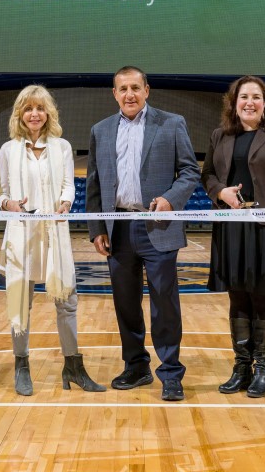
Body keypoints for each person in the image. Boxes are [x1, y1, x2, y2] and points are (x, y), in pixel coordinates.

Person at [86, 66, 200, 402]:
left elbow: (190, 171)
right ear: (115, 93)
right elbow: (94, 183)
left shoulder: (172, 123)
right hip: (117, 226)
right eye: (123, 89)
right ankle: (136, 366)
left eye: (136, 87)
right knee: (125, 303)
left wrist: (170, 198)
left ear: (147, 90)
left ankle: (171, 373)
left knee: (165, 303)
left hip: (158, 226)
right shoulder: (101, 130)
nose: (130, 94)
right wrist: (96, 229)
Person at [0, 85, 105, 395]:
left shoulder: (62, 147)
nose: (34, 113)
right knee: (22, 302)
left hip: (54, 232)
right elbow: (1, 193)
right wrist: (9, 205)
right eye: (28, 108)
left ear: (48, 113)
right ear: (21, 113)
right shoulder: (8, 149)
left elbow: (69, 186)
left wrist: (66, 203)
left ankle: (73, 366)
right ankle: (21, 365)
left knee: (67, 302)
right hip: (22, 233)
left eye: (40, 108)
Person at [200, 76, 265, 398]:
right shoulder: (220, 135)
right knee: (238, 296)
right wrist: (221, 193)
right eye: (244, 96)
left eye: (256, 97)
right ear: (234, 102)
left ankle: (262, 368)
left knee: (263, 296)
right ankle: (241, 366)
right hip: (231, 227)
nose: (250, 102)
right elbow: (208, 176)